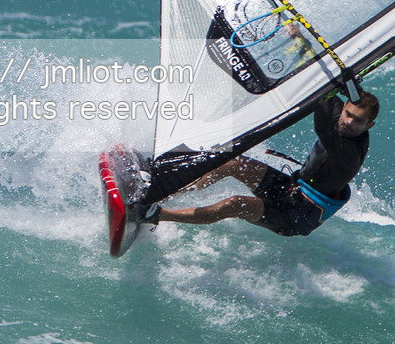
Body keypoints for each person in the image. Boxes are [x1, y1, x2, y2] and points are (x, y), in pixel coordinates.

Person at [147, 90, 378, 237]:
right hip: (291, 186)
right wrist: (297, 37)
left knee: (235, 203)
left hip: (297, 215)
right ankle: (162, 191)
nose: (348, 122)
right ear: (345, 106)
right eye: (347, 113)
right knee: (233, 162)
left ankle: (153, 215)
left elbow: (320, 109)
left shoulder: (348, 151)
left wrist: (326, 88)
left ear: (369, 126)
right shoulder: (343, 118)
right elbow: (324, 82)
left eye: (357, 121)